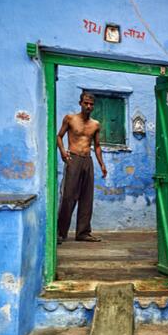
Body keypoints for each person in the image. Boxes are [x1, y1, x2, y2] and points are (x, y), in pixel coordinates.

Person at [56, 91, 108, 243]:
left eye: (91, 104)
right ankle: (60, 233)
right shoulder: (70, 119)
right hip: (73, 159)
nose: (88, 106)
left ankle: (83, 233)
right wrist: (62, 152)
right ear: (80, 103)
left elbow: (97, 146)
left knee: (87, 197)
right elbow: (59, 136)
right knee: (68, 197)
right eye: (86, 103)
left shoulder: (95, 124)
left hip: (88, 160)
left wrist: (102, 164)